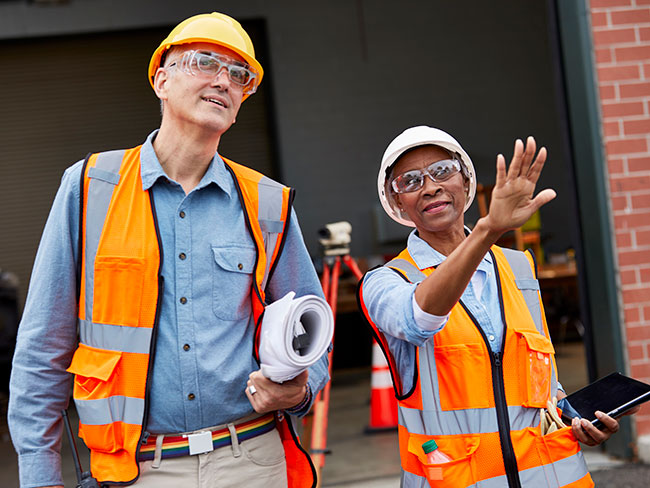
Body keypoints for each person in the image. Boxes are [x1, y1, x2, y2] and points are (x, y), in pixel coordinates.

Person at [8, 12, 329, 488]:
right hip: (137, 470)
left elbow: (313, 333)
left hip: (251, 461)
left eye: (239, 75)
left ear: (241, 102)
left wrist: (298, 390)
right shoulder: (90, 188)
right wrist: (39, 473)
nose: (223, 80)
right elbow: (42, 348)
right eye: (205, 62)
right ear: (161, 79)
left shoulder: (267, 202)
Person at [358, 126, 637, 487]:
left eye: (442, 171)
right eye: (410, 181)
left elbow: (541, 380)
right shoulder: (385, 282)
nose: (429, 187)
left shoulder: (519, 267)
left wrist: (574, 419)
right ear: (396, 203)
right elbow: (419, 318)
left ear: (465, 179)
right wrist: (487, 231)